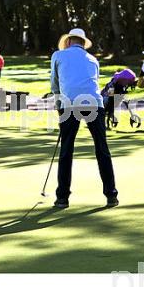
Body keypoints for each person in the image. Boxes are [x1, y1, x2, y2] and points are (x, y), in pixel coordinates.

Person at [50, 28, 119, 209]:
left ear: (69, 41)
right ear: (82, 42)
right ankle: (111, 195)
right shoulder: (93, 59)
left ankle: (62, 198)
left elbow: (55, 84)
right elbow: (93, 82)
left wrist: (59, 106)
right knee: (102, 148)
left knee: (66, 150)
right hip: (94, 104)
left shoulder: (58, 55)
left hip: (70, 103)